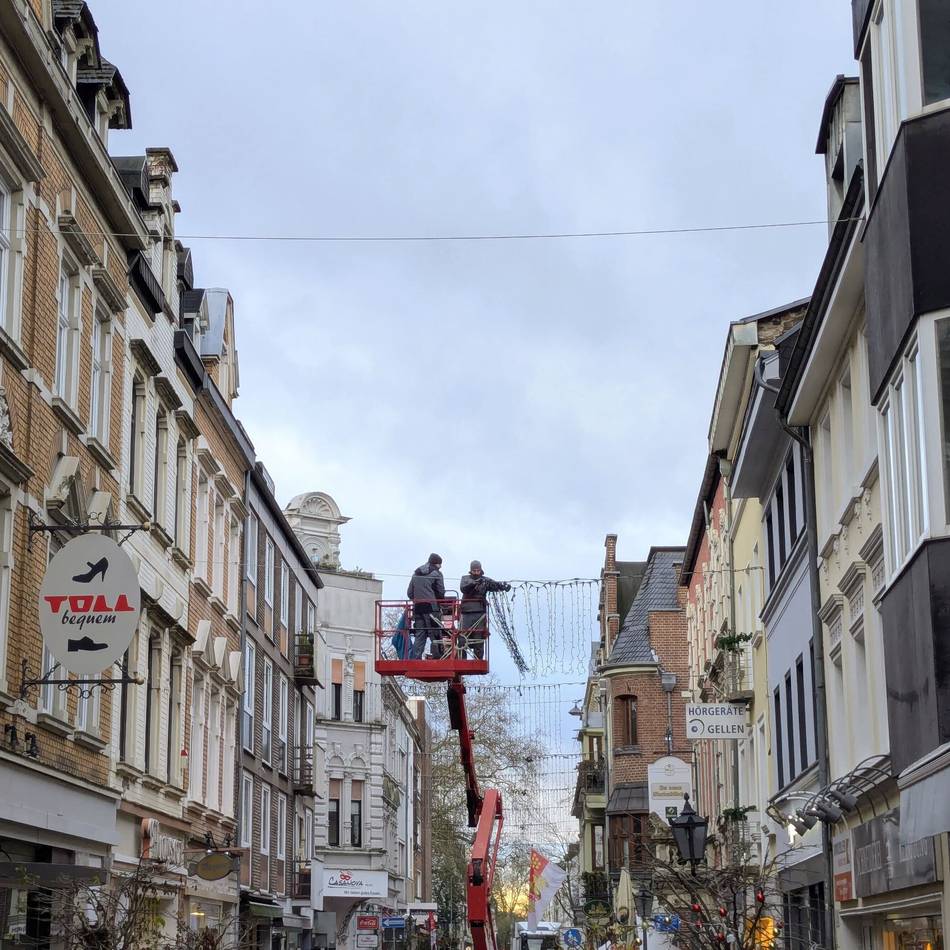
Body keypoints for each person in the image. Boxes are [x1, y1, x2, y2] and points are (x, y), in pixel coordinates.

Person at [459, 560, 509, 659]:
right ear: (471, 570)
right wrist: (475, 583)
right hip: (466, 611)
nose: (476, 572)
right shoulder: (465, 579)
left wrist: (504, 587)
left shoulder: (485, 580)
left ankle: (478, 659)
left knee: (479, 636)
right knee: (463, 636)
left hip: (480, 611)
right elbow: (463, 588)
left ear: (481, 570)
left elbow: (495, 585)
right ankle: (462, 658)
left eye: (478, 570)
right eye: (474, 570)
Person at [408, 553, 446, 659]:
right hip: (432, 608)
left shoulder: (416, 573)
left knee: (420, 634)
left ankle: (415, 659)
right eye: (440, 564)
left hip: (418, 609)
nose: (441, 566)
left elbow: (410, 593)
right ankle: (438, 659)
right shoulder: (437, 574)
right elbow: (441, 592)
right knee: (435, 634)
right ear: (436, 563)